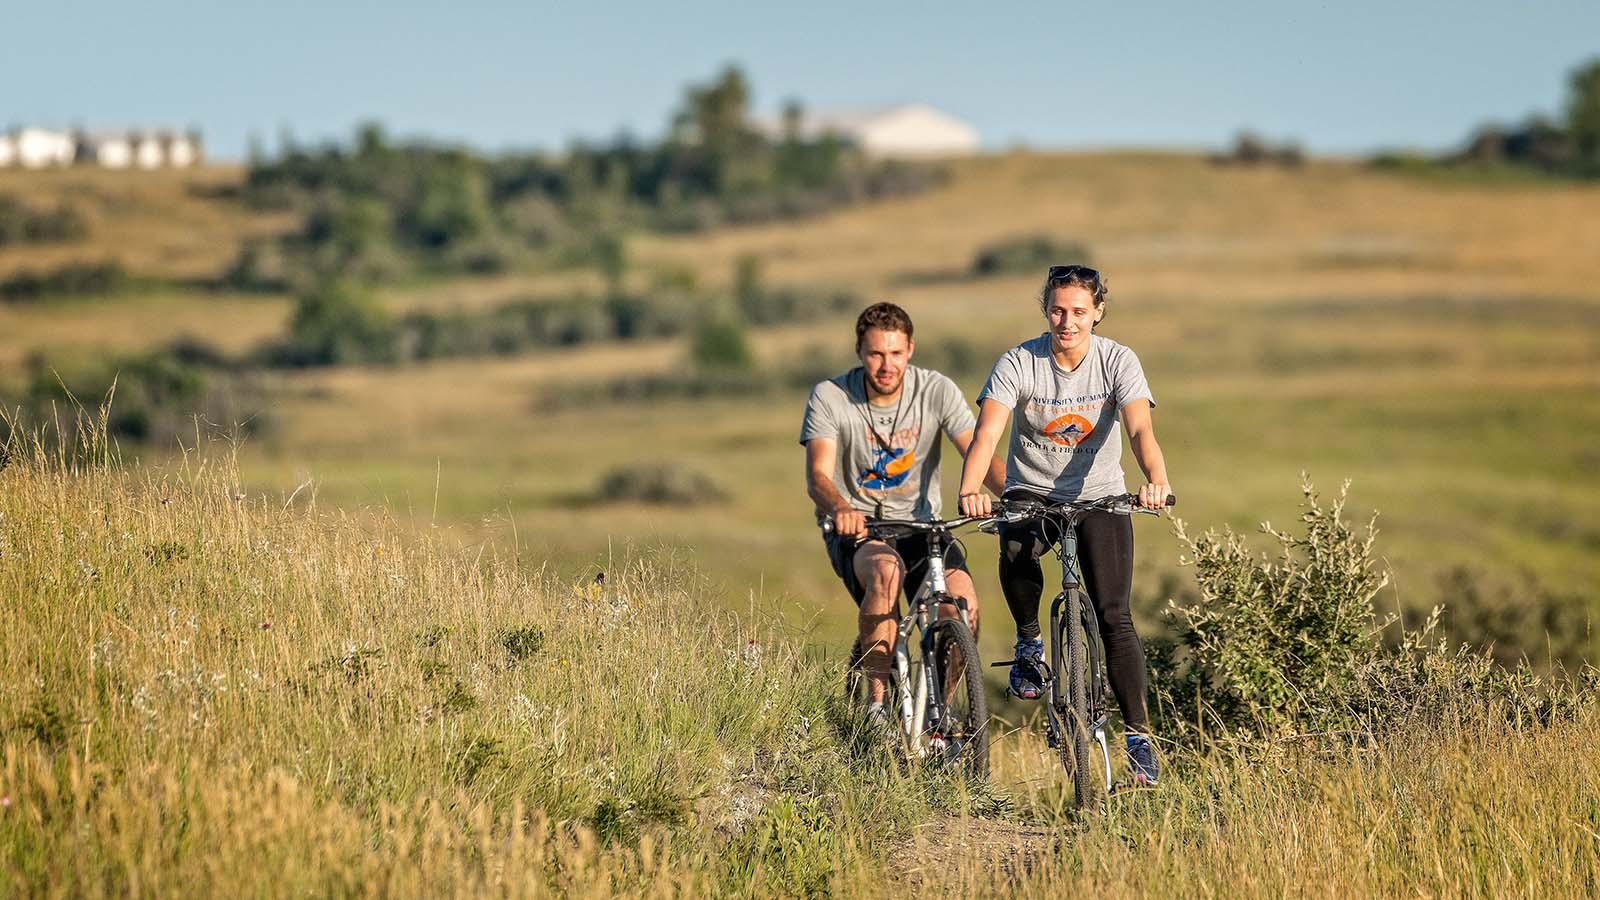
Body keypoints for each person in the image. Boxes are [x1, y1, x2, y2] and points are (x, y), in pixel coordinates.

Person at [956, 265, 1172, 786]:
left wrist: (1157, 480)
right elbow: (986, 434)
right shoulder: (1019, 362)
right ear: (1045, 310)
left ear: (1097, 312)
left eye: (1079, 312)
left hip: (1099, 495)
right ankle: (1030, 643)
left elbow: (1140, 427)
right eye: (1058, 310)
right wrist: (970, 488)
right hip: (1032, 491)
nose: (1067, 322)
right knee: (1016, 551)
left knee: (1115, 615)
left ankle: (1139, 739)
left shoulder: (1118, 361)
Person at [801, 302, 1006, 721]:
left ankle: (942, 713)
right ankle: (876, 707)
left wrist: (1018, 496)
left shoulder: (936, 391)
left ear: (910, 349)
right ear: (859, 351)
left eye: (895, 354)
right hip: (859, 527)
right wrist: (841, 507)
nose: (886, 365)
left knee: (962, 600)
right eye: (876, 354)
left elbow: (977, 453)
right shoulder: (832, 396)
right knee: (886, 572)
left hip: (922, 526)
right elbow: (818, 475)